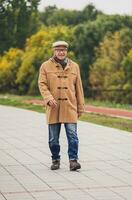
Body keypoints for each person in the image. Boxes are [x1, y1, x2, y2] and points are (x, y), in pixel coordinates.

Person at [38, 41, 85, 171]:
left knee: (73, 135)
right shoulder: (45, 66)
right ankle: (55, 159)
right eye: (58, 50)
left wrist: (80, 106)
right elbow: (42, 84)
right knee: (53, 138)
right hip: (53, 107)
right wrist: (48, 98)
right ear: (54, 51)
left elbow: (79, 88)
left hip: (70, 106)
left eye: (63, 50)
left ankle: (73, 161)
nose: (61, 52)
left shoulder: (74, 66)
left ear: (66, 51)